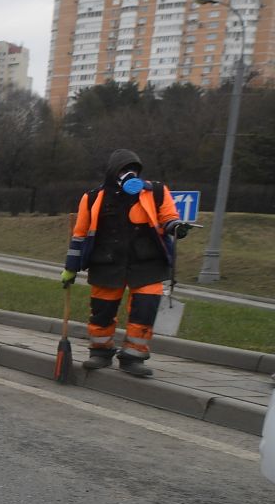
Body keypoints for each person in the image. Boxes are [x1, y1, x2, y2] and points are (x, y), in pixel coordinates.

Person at [61, 148, 194, 377]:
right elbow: (79, 235)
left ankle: (134, 356)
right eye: (123, 170)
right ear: (113, 173)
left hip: (147, 264)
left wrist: (176, 227)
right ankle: (100, 352)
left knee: (145, 310)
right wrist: (70, 268)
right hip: (107, 263)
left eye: (133, 169)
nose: (128, 174)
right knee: (102, 311)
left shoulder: (156, 192)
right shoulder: (93, 198)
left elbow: (168, 218)